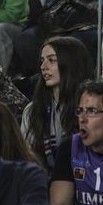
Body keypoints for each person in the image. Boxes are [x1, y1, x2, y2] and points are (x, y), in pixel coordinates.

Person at [23, 36, 92, 170]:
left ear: (71, 63)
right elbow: (26, 160)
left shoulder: (93, 108)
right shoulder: (32, 110)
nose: (43, 67)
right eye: (42, 61)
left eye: (51, 60)